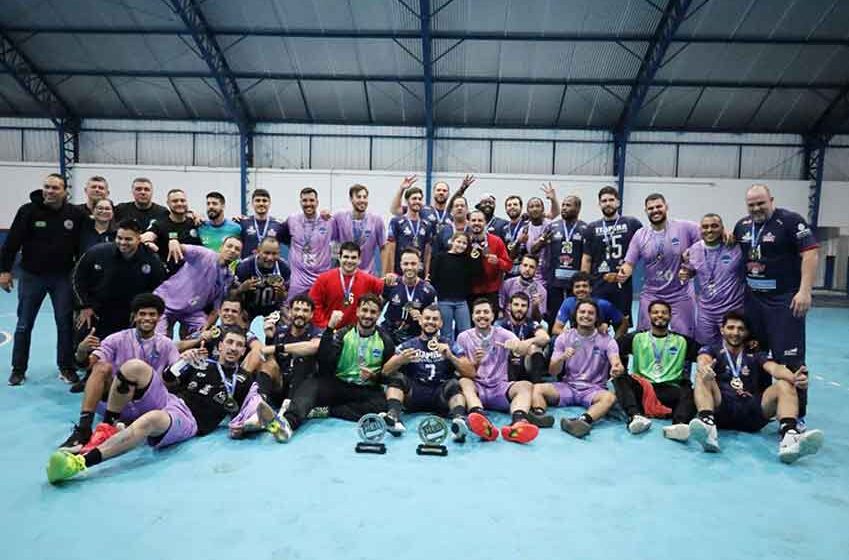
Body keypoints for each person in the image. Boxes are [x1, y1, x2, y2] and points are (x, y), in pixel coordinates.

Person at [47, 327, 253, 483]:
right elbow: (168, 379)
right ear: (220, 346)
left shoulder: (245, 379)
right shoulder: (202, 362)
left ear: (244, 350)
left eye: (239, 344)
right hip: (169, 399)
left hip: (188, 420)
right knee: (134, 367)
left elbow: (255, 407)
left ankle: (80, 462)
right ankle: (107, 427)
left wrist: (245, 426)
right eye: (230, 342)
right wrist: (183, 362)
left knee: (151, 420)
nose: (234, 348)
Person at [687, 311, 823, 463]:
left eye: (740, 329)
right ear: (722, 329)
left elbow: (774, 368)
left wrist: (793, 377)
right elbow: (703, 360)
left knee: (785, 383)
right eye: (731, 328)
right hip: (722, 408)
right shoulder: (711, 349)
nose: (735, 333)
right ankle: (708, 428)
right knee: (701, 376)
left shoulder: (755, 353)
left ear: (746, 332)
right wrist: (705, 368)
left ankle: (790, 439)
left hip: (752, 411)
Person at [733, 184, 818, 421]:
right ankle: (762, 406)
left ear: (771, 200)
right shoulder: (742, 226)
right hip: (753, 301)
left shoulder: (790, 222)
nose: (756, 208)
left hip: (784, 301)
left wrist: (804, 291)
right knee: (755, 353)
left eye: (761, 203)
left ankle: (796, 415)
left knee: (789, 358)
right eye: (751, 205)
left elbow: (810, 253)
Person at [262, 294, 395, 441]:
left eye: (373, 312)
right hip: (339, 384)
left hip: (366, 389)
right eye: (364, 310)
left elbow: (387, 375)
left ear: (379, 315)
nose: (367, 315)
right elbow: (325, 363)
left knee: (381, 405)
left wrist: (374, 377)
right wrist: (330, 328)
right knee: (313, 384)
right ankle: (288, 424)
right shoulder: (344, 334)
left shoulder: (386, 340)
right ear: (357, 311)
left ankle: (327, 410)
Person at [57, 293, 181, 450]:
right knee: (101, 367)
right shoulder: (116, 339)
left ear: (159, 317)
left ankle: (109, 426)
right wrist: (81, 351)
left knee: (137, 370)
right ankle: (84, 430)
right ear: (134, 316)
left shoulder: (167, 344)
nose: (147, 318)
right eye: (142, 314)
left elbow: (177, 376)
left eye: (152, 314)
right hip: (116, 401)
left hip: (148, 402)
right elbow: (86, 365)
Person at [1, 173, 87, 386]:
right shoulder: (27, 211)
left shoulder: (75, 214)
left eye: (55, 188)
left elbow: (82, 248)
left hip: (63, 278)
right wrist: (4, 271)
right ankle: (18, 369)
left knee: (64, 324)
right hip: (32, 276)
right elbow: (11, 243)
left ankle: (66, 367)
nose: (49, 191)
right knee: (24, 324)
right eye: (47, 187)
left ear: (65, 191)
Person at [229, 295, 322, 440]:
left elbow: (313, 347)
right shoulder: (280, 331)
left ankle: (284, 415)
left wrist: (276, 347)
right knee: (267, 364)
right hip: (280, 386)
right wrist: (270, 338)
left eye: (305, 310)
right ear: (290, 312)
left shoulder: (316, 332)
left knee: (301, 360)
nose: (300, 314)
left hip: (301, 392)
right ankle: (257, 409)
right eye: (296, 309)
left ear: (311, 314)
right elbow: (271, 360)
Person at [532, 299, 623, 438]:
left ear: (597, 317)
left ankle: (582, 421)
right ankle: (539, 416)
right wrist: (562, 358)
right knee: (537, 388)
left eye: (590, 313)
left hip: (594, 389)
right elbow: (552, 371)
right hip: (568, 386)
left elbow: (616, 362)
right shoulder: (564, 338)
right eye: (582, 312)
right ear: (575, 315)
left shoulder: (607, 341)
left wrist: (617, 368)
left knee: (609, 398)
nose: (586, 316)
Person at [453, 298, 540, 444]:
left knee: (525, 385)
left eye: (486, 312)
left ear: (493, 316)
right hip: (477, 389)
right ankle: (479, 417)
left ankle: (518, 423)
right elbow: (462, 370)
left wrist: (517, 347)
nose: (482, 316)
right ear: (472, 316)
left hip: (500, 388)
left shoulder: (503, 333)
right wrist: (476, 361)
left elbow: (525, 349)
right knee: (464, 381)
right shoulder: (463, 337)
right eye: (478, 312)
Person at [381, 304, 472, 440]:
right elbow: (385, 371)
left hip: (440, 394)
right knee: (397, 378)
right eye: (427, 318)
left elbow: (470, 373)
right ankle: (393, 417)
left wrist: (451, 357)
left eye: (435, 319)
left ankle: (458, 422)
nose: (430, 322)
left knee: (454, 384)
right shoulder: (409, 344)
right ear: (421, 321)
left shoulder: (450, 344)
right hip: (414, 393)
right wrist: (400, 359)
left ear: (441, 323)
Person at [617, 193, 700, 338]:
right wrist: (623, 273)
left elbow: (710, 234)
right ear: (646, 211)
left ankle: (683, 362)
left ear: (666, 207)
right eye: (651, 208)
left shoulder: (685, 228)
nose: (655, 210)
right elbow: (629, 263)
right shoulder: (640, 235)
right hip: (652, 294)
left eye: (659, 206)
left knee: (685, 337)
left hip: (681, 293)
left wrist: (694, 256)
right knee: (644, 337)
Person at [612, 300, 699, 438]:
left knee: (691, 391)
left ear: (670, 316)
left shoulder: (682, 341)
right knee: (620, 378)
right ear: (649, 315)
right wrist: (617, 363)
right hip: (642, 389)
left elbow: (705, 353)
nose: (660, 315)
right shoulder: (637, 338)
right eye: (655, 312)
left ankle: (679, 425)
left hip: (670, 389)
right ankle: (635, 417)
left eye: (664, 312)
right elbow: (611, 348)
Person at [72, 219, 167, 343]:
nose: (122, 242)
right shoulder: (97, 253)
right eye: (119, 238)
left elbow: (156, 290)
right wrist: (84, 306)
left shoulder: (152, 261)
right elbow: (77, 279)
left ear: (139, 239)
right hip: (95, 310)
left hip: (129, 314)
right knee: (85, 347)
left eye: (128, 239)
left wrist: (141, 313)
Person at [153, 238, 242, 336]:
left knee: (206, 336)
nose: (232, 250)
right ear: (221, 248)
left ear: (239, 255)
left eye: (237, 249)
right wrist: (174, 241)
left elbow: (216, 308)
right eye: (229, 246)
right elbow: (181, 248)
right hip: (165, 304)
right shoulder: (204, 254)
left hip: (192, 313)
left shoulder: (228, 277)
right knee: (160, 341)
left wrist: (207, 326)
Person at [679, 213, 744, 346]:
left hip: (732, 311)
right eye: (705, 227)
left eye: (714, 226)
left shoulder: (735, 246)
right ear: (700, 230)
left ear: (722, 228)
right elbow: (690, 270)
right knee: (705, 350)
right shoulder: (694, 250)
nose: (709, 230)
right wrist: (686, 273)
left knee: (733, 351)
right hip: (705, 313)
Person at [581, 186, 644, 323]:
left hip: (622, 285)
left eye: (611, 200)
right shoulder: (592, 228)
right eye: (604, 201)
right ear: (599, 204)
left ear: (618, 202)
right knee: (597, 324)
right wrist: (584, 283)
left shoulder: (632, 223)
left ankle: (619, 345)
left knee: (622, 323)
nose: (608, 203)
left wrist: (630, 268)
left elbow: (643, 249)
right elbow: (587, 259)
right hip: (598, 284)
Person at [310, 241, 395, 330]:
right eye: (346, 257)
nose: (349, 261)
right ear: (339, 258)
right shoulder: (323, 279)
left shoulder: (369, 280)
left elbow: (390, 288)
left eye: (353, 258)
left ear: (359, 260)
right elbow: (314, 305)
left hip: (356, 334)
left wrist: (392, 278)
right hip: (329, 331)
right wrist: (326, 326)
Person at [538, 195, 587, 322]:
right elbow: (536, 249)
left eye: (568, 205)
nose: (564, 208)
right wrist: (542, 241)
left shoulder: (586, 229)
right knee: (552, 317)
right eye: (563, 205)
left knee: (577, 317)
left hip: (575, 283)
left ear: (578, 208)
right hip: (554, 280)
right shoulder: (552, 227)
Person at [280, 187, 334, 301]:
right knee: (294, 311)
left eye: (311, 200)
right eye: (305, 200)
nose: (308, 204)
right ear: (300, 202)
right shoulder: (292, 220)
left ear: (317, 202)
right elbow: (277, 233)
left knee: (320, 312)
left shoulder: (328, 221)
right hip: (298, 280)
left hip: (321, 278)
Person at [430, 231, 481, 343]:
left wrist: (476, 255)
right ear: (452, 241)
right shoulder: (441, 257)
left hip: (461, 302)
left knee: (466, 331)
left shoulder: (467, 259)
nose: (461, 245)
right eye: (458, 241)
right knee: (446, 332)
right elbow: (433, 277)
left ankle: (465, 356)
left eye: (464, 243)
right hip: (444, 301)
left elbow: (477, 273)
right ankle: (447, 356)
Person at [139, 188, 203, 275]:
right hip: (170, 278)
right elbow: (143, 238)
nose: (179, 203)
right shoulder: (160, 224)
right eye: (175, 201)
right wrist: (149, 243)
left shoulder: (195, 222)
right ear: (168, 203)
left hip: (194, 276)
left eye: (182, 200)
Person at [380, 248, 437, 345]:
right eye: (406, 264)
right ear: (400, 265)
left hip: (415, 337)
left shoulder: (428, 290)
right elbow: (378, 306)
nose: (409, 267)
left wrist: (422, 318)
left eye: (413, 264)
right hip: (389, 334)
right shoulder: (391, 284)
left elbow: (434, 320)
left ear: (419, 265)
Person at [176, 296, 262, 359]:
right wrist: (199, 340)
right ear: (219, 312)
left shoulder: (246, 334)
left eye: (234, 311)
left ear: (240, 314)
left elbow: (259, 348)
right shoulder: (209, 332)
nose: (229, 313)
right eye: (226, 310)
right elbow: (175, 347)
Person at [495, 293, 550, 385]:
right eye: (516, 305)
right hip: (506, 366)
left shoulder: (531, 323)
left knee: (535, 348)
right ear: (509, 306)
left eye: (523, 305)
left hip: (526, 364)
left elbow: (545, 338)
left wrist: (526, 343)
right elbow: (494, 342)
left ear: (528, 308)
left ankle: (536, 385)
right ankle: (510, 386)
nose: (519, 309)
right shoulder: (501, 323)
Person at [233, 236, 291, 322]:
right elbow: (231, 296)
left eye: (274, 254)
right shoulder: (244, 267)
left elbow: (285, 297)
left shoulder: (284, 268)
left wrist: (281, 294)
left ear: (279, 253)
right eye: (266, 253)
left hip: (273, 314)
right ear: (258, 251)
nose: (270, 258)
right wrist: (241, 289)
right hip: (247, 313)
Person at [551, 272, 626, 338]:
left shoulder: (604, 305)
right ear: (573, 289)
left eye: (584, 286)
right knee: (554, 340)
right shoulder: (568, 303)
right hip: (576, 341)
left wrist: (617, 341)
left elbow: (623, 322)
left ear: (590, 289)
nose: (581, 289)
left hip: (598, 342)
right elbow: (556, 329)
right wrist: (571, 335)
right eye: (577, 286)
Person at [332, 184, 386, 274]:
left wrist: (385, 273)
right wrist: (323, 215)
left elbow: (383, 247)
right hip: (345, 273)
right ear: (351, 199)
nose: (362, 200)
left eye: (365, 197)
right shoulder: (339, 217)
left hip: (368, 274)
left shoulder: (376, 220)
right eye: (358, 197)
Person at [466, 210, 512, 315]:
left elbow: (508, 265)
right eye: (473, 220)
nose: (476, 223)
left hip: (491, 292)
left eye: (480, 220)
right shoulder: (464, 241)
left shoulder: (496, 241)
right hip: (469, 292)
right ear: (468, 222)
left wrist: (498, 262)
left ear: (486, 222)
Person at [384, 186, 435, 277]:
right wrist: (390, 272)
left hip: (419, 274)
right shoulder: (396, 222)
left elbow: (427, 252)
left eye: (419, 199)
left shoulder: (427, 225)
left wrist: (427, 274)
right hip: (400, 272)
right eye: (414, 198)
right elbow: (391, 249)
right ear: (407, 201)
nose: (417, 201)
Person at [514, 196, 551, 286]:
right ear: (527, 210)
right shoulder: (524, 229)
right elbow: (531, 251)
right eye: (531, 206)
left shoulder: (551, 225)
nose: (535, 209)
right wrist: (519, 242)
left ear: (543, 209)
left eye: (538, 206)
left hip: (549, 277)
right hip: (531, 277)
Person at [498, 254, 546, 322]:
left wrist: (535, 307)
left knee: (544, 326)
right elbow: (500, 309)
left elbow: (539, 320)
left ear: (536, 270)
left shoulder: (541, 291)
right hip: (508, 322)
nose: (527, 269)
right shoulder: (507, 284)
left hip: (529, 324)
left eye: (531, 267)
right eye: (525, 265)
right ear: (520, 266)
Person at [239, 188, 284, 257]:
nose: (261, 203)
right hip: (247, 266)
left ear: (269, 203)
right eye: (257, 201)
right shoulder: (242, 223)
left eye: (264, 201)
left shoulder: (279, 225)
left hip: (270, 265)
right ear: (252, 203)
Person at [501, 195, 526, 278]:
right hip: (509, 272)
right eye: (509, 205)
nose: (512, 207)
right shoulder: (504, 228)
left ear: (521, 207)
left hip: (525, 270)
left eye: (515, 204)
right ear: (506, 209)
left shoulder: (528, 225)